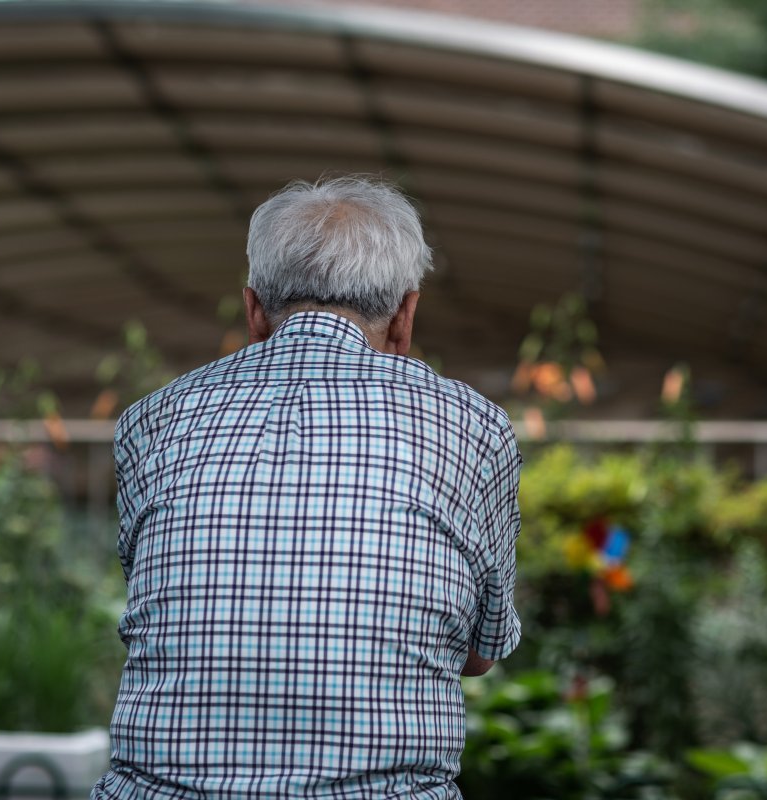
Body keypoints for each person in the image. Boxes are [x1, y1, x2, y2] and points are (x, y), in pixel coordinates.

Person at [92, 176, 522, 799]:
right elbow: (480, 651)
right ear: (405, 316)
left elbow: (170, 608)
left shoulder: (152, 421)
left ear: (254, 312)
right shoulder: (474, 427)